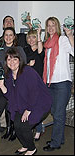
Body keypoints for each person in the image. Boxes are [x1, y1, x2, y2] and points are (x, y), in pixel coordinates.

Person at [0, 47, 52, 155]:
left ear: (19, 60)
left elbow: (34, 93)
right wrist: (1, 86)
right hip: (22, 103)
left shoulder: (28, 72)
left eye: (15, 59)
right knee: (17, 125)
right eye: (9, 59)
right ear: (6, 61)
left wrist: (28, 109)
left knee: (24, 126)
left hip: (39, 103)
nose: (12, 62)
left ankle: (32, 148)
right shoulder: (8, 75)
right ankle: (25, 145)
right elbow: (10, 96)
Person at [42, 17, 74, 152]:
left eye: (53, 25)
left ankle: (55, 143)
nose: (50, 28)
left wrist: (70, 35)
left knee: (59, 113)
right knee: (55, 112)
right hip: (51, 83)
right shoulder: (47, 43)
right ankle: (59, 138)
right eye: (48, 25)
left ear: (57, 26)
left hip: (62, 83)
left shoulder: (63, 40)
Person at [0, 26, 27, 141]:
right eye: (6, 35)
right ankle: (9, 128)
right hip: (5, 82)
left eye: (10, 35)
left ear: (14, 37)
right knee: (8, 106)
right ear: (3, 37)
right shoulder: (0, 49)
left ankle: (14, 130)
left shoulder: (19, 49)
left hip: (17, 81)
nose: (8, 37)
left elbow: (24, 65)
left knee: (16, 105)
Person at [24, 25, 45, 141]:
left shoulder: (40, 49)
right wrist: (28, 65)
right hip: (27, 82)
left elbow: (40, 53)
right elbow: (21, 65)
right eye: (29, 38)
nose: (31, 40)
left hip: (38, 83)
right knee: (28, 106)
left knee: (36, 107)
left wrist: (39, 34)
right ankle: (29, 127)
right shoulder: (25, 50)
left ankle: (38, 129)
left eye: (33, 37)